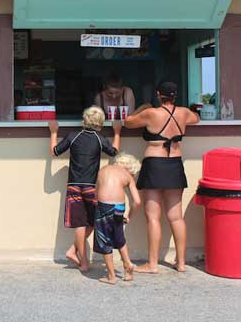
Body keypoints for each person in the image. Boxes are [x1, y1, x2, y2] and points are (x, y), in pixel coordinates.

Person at [124, 81, 200, 273]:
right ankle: (181, 263)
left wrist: (144, 106)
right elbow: (196, 118)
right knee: (176, 217)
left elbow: (128, 121)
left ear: (159, 94)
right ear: (175, 96)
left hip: (155, 165)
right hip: (175, 164)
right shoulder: (183, 113)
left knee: (153, 217)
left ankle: (152, 264)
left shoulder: (151, 113)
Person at [49, 106, 122, 273]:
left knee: (80, 224)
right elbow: (114, 152)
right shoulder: (99, 138)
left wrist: (53, 132)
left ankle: (76, 254)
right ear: (100, 123)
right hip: (91, 186)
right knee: (95, 221)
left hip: (73, 185)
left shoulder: (73, 136)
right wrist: (118, 132)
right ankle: (81, 259)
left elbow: (55, 152)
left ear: (84, 120)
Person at [93, 152, 141, 285]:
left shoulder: (104, 169)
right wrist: (129, 216)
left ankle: (111, 276)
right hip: (119, 208)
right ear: (130, 169)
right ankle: (128, 264)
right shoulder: (127, 176)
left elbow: (96, 193)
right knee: (119, 237)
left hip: (103, 207)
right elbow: (137, 201)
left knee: (104, 240)